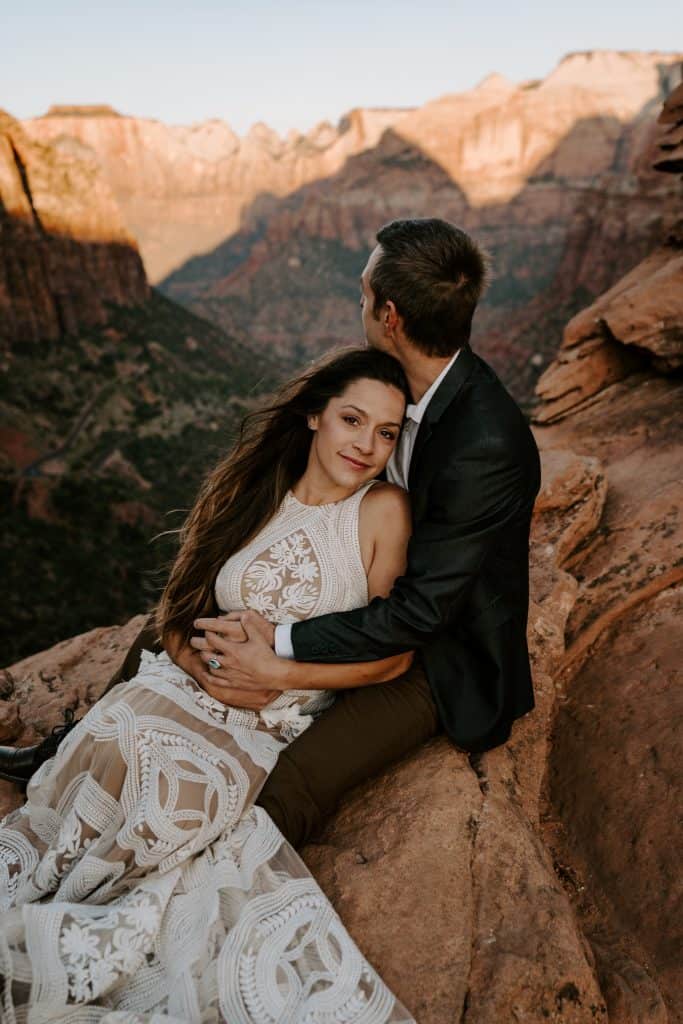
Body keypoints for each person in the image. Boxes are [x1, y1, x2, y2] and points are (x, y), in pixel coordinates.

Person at [1, 217, 541, 853]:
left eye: (363, 294)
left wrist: (276, 650)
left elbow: (418, 618)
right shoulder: (388, 387)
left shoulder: (486, 442)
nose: (358, 303)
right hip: (362, 582)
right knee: (177, 623)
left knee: (282, 793)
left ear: (389, 315)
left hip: (436, 653)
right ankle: (68, 754)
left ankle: (192, 899)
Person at [0, 348, 417, 1022]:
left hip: (265, 719)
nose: (367, 445)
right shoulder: (257, 492)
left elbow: (391, 654)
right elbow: (177, 612)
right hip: (180, 685)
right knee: (115, 738)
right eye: (352, 420)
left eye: (386, 432)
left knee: (170, 797)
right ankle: (53, 898)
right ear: (314, 415)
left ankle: (81, 932)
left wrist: (279, 673)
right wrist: (194, 667)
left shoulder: (381, 511)